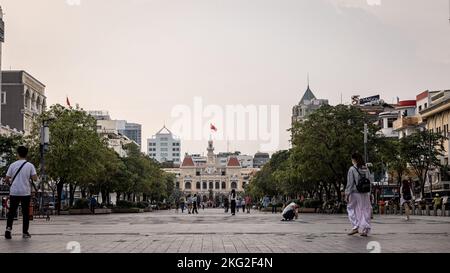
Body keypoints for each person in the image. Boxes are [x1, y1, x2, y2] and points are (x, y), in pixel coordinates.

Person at [4, 146, 38, 240]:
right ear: (26, 154)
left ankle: (8, 230)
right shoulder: (30, 165)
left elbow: (7, 178)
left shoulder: (12, 165)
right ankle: (25, 232)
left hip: (14, 191)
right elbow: (35, 178)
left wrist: (10, 183)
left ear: (17, 154)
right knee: (26, 213)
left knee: (11, 212)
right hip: (25, 192)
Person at [345, 152, 372, 237]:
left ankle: (355, 226)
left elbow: (350, 183)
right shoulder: (366, 168)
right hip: (365, 193)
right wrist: (369, 192)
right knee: (365, 209)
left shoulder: (352, 169)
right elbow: (369, 180)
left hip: (355, 193)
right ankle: (365, 229)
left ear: (354, 159)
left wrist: (347, 194)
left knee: (350, 208)